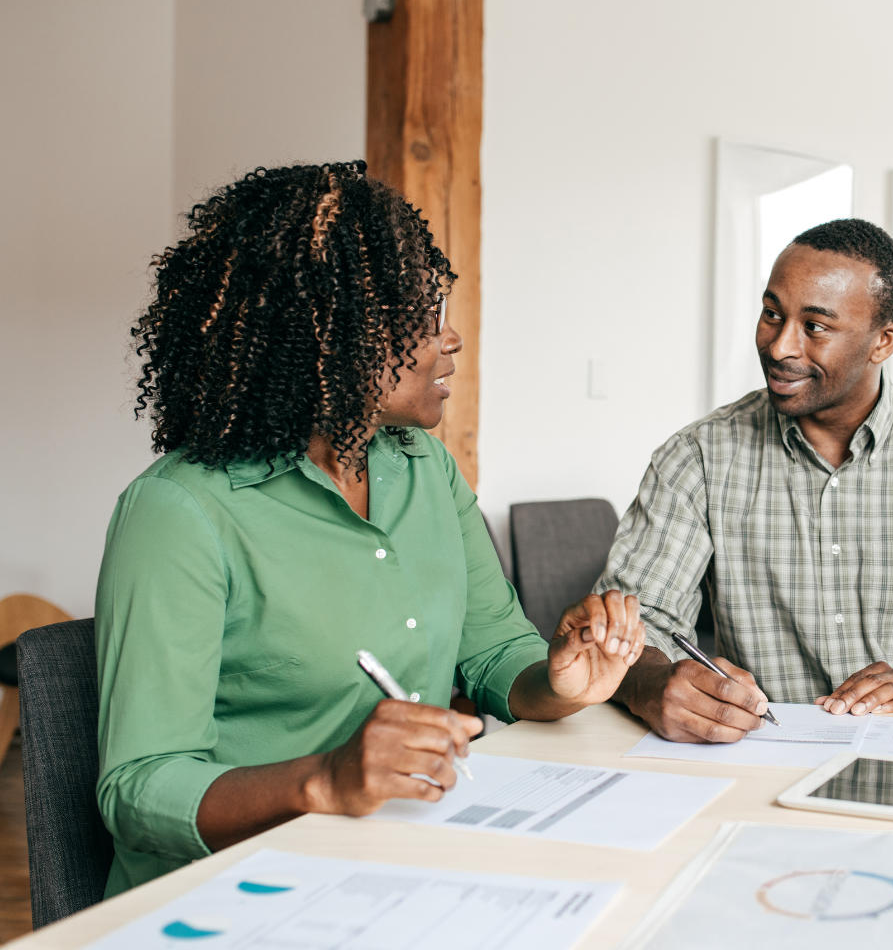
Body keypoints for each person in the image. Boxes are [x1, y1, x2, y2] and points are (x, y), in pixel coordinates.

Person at [96, 162, 645, 895]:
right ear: (324, 334)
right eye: (419, 315)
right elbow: (139, 787)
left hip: (397, 862)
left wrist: (560, 680)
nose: (449, 339)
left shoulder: (426, 470)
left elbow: (494, 656)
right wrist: (323, 780)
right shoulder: (180, 513)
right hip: (230, 897)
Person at [596, 218, 893, 743]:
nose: (780, 346)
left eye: (815, 327)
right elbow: (636, 625)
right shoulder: (698, 458)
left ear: (883, 342)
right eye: (771, 315)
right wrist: (653, 684)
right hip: (753, 756)